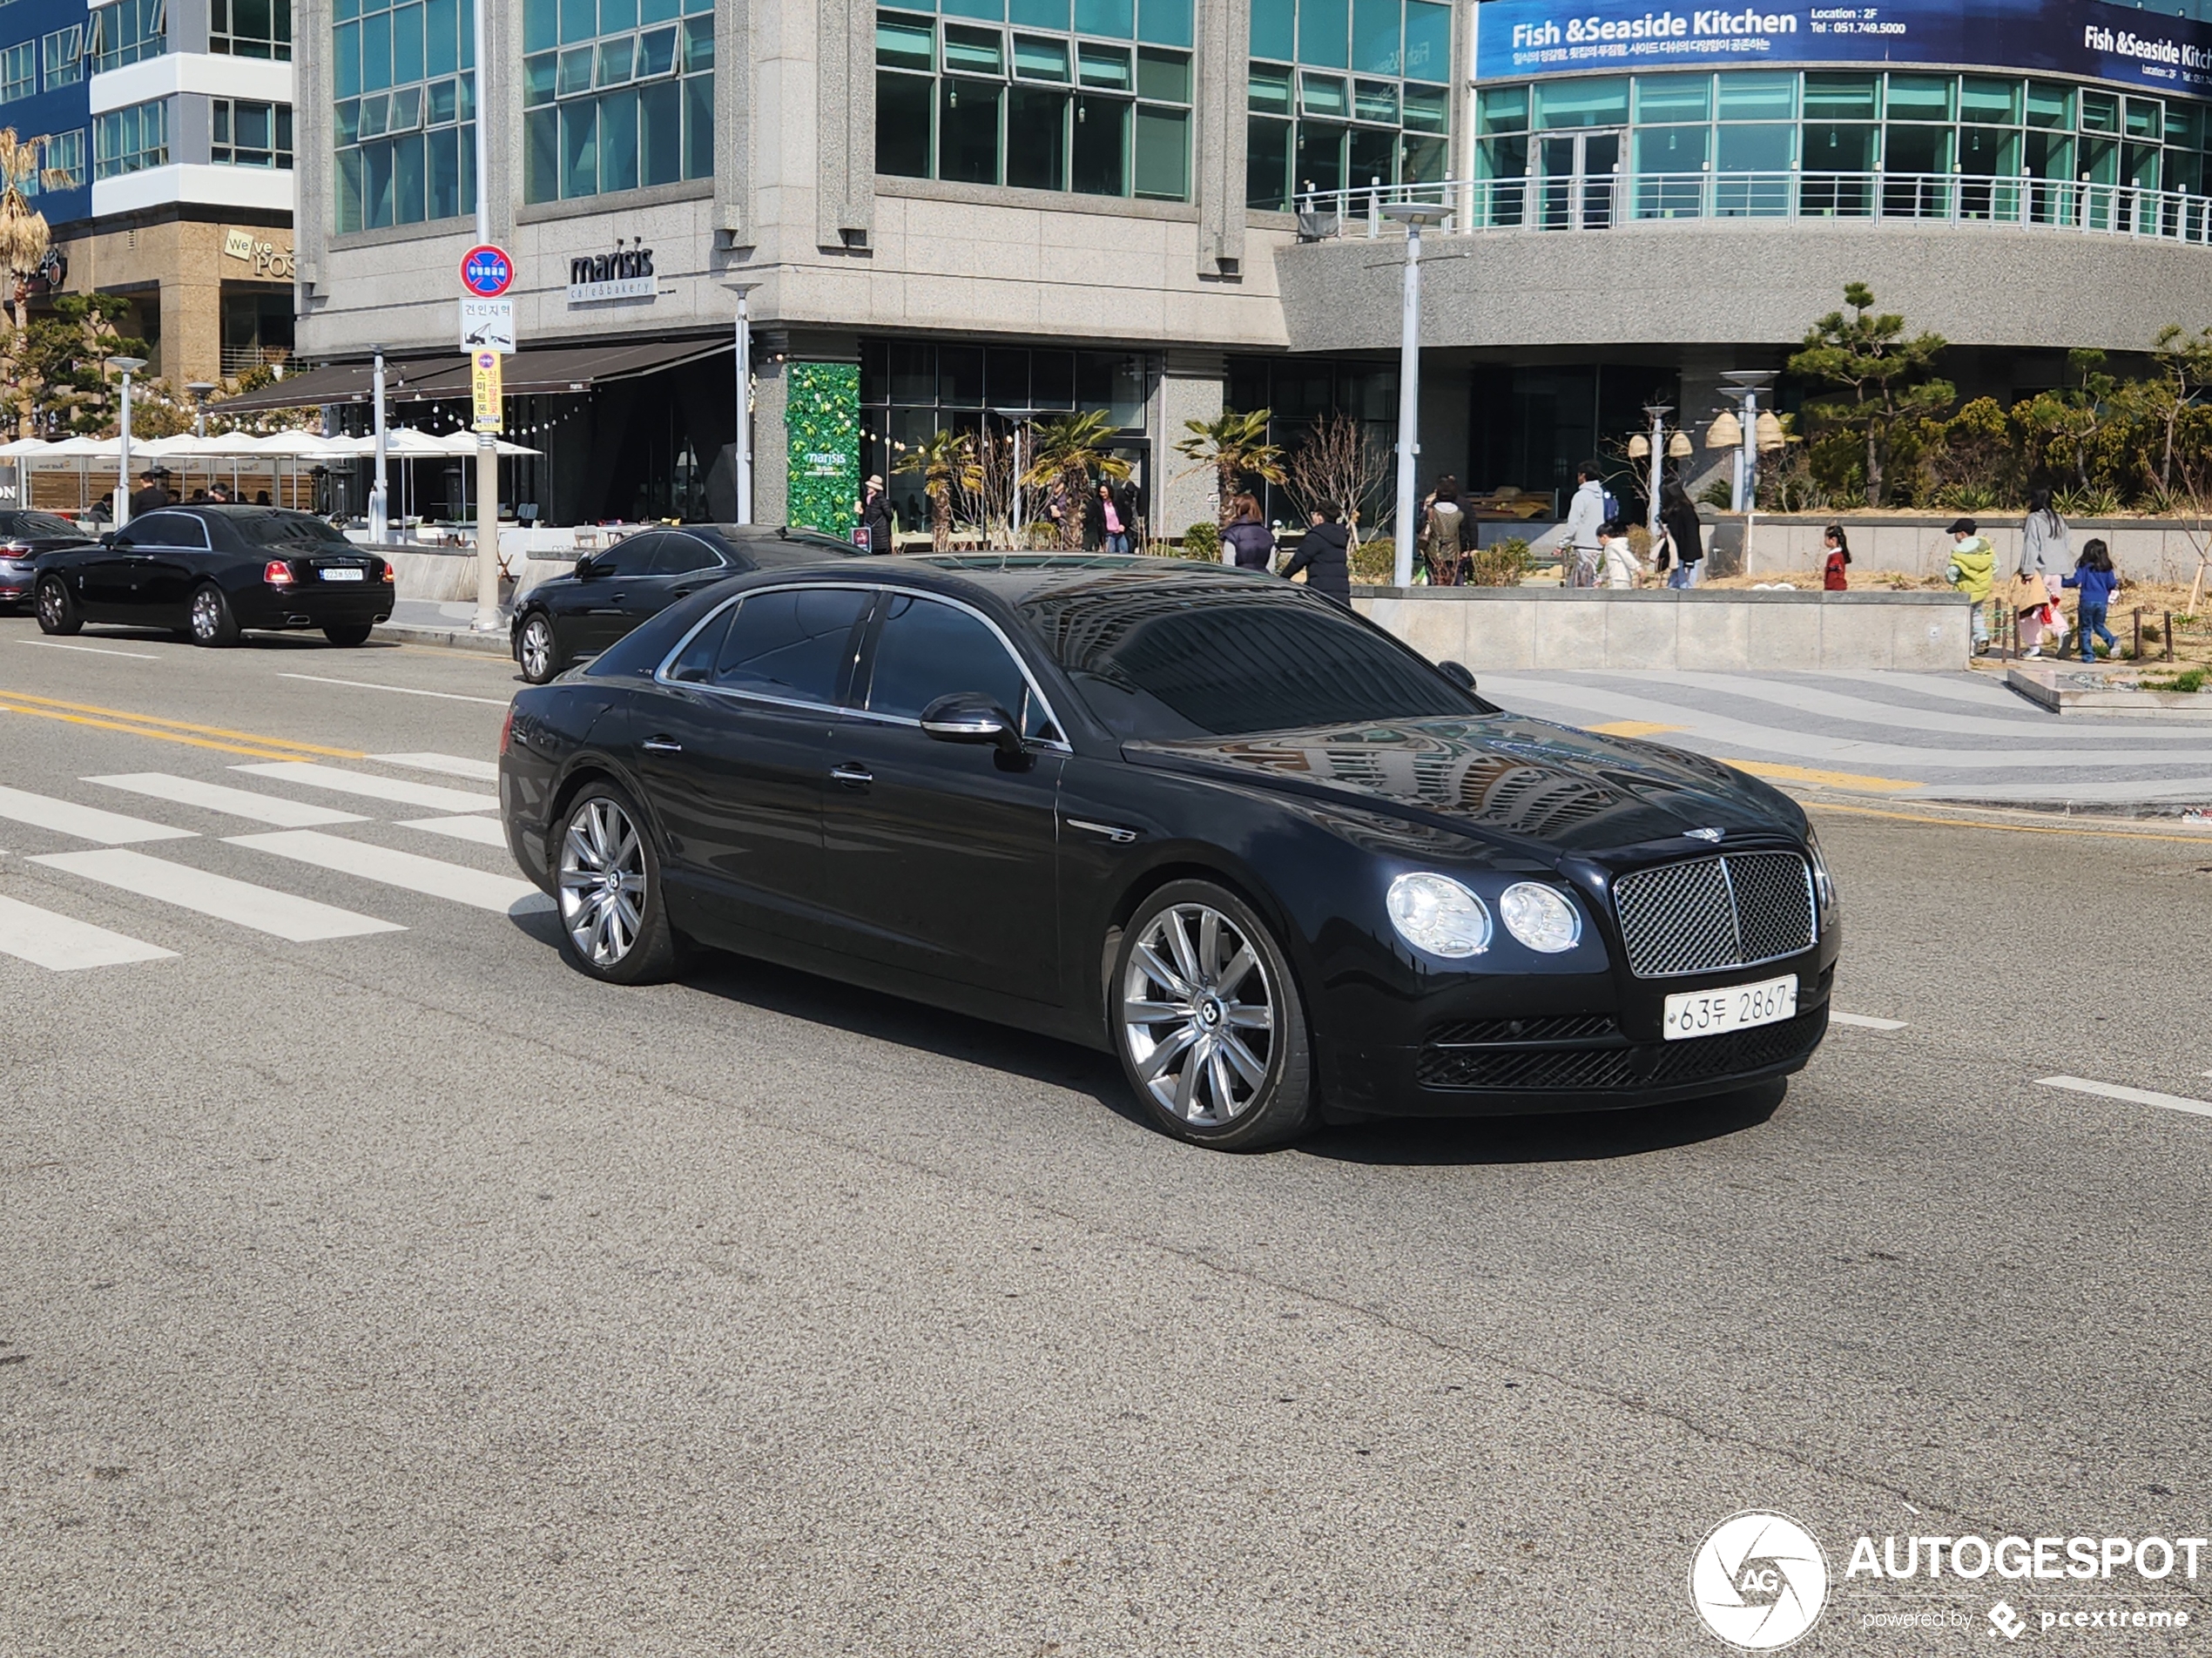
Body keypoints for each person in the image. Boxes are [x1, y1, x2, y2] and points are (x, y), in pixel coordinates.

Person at [2017, 488, 2069, 657]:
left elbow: (2031, 544)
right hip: (2058, 571)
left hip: (2040, 570)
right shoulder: (2059, 519)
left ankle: (2036, 645)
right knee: (2049, 606)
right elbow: (2066, 544)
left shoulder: (2034, 519)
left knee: (2030, 609)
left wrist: (2027, 569)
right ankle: (2061, 631)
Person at [2061, 537, 2121, 662]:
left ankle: (2088, 655)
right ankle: (2111, 641)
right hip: (2102, 601)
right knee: (2099, 625)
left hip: (2087, 600)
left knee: (2085, 629)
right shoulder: (2107, 568)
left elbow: (2076, 581)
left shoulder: (2084, 567)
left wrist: (2062, 582)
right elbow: (2112, 583)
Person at [1281, 501, 1352, 604]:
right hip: (1341, 591)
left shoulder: (1316, 537)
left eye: (1313, 514)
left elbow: (1297, 562)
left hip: (1321, 591)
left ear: (1320, 516)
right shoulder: (1340, 535)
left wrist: (1282, 578)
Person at [1944, 517, 1996, 653]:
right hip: (1982, 589)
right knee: (1977, 613)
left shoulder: (1959, 551)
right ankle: (1982, 637)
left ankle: (1969, 648)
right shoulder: (1985, 546)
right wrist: (1984, 577)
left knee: (1965, 618)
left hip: (1965, 590)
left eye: (1955, 533)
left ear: (1962, 534)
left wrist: (1951, 579)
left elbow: (1954, 571)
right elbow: (1996, 565)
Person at [1561, 460, 1607, 588]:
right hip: (1599, 544)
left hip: (1583, 545)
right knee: (1592, 580)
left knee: (1582, 583)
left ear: (1583, 476)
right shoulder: (1602, 494)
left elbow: (1573, 523)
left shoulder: (1581, 496)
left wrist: (1562, 544)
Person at [1419, 475, 1470, 586]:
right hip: (1453, 552)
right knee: (1451, 579)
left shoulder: (1430, 512)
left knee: (1434, 578)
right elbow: (1463, 535)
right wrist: (1464, 549)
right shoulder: (1460, 514)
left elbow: (1419, 528)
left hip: (1433, 551)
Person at [1659, 478, 1703, 590]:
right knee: (1674, 587)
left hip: (1687, 556)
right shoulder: (1673, 511)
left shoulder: (1685, 511)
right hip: (1678, 555)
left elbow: (1691, 535)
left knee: (1685, 588)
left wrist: (1689, 559)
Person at [1220, 493, 1275, 571]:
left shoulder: (1232, 534)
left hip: (1240, 580)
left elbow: (1228, 566)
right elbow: (1271, 567)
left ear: (1237, 510)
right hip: (1262, 580)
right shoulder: (1268, 535)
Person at [1597, 517, 1642, 589]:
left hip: (1618, 579)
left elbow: (1627, 556)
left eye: (1599, 539)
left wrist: (1638, 568)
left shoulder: (1613, 546)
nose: (1598, 542)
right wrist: (1601, 579)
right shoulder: (1610, 547)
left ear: (1604, 537)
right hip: (1619, 579)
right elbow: (1607, 566)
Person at [859, 474, 894, 554]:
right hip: (871, 533)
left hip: (880, 535)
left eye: (870, 487)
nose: (868, 488)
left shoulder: (881, 500)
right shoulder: (869, 499)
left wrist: (880, 524)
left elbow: (889, 515)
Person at [1097, 481, 1133, 555]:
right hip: (1109, 535)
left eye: (1104, 492)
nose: (1103, 495)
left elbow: (1126, 513)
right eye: (1101, 492)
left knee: (1124, 553)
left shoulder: (1117, 500)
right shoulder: (1098, 503)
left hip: (1120, 533)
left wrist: (1123, 524)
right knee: (1110, 555)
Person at [1822, 524, 1851, 590]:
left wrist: (1829, 587)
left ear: (1832, 540)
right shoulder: (1836, 555)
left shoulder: (1836, 556)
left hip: (1835, 589)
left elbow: (1833, 575)